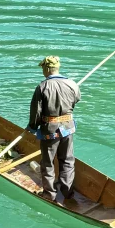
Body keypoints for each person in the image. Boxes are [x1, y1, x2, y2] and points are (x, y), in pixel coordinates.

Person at [28, 55, 80, 205]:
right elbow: (76, 100)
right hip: (68, 128)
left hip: (50, 131)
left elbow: (36, 112)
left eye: (43, 69)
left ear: (47, 69)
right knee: (68, 160)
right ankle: (68, 193)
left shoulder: (42, 87)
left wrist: (32, 127)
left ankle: (49, 194)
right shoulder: (72, 84)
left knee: (47, 162)